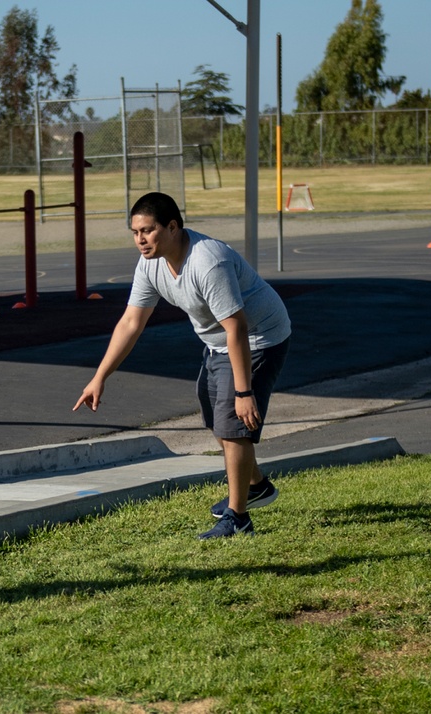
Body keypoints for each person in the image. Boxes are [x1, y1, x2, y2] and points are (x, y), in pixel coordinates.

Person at [72, 192, 291, 539]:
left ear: (173, 227)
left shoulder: (208, 262)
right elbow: (131, 322)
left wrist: (244, 390)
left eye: (148, 230)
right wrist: (100, 377)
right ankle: (256, 485)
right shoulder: (150, 264)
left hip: (260, 337)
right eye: (135, 232)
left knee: (233, 422)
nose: (140, 240)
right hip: (217, 342)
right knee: (216, 417)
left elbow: (237, 326)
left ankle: (238, 518)